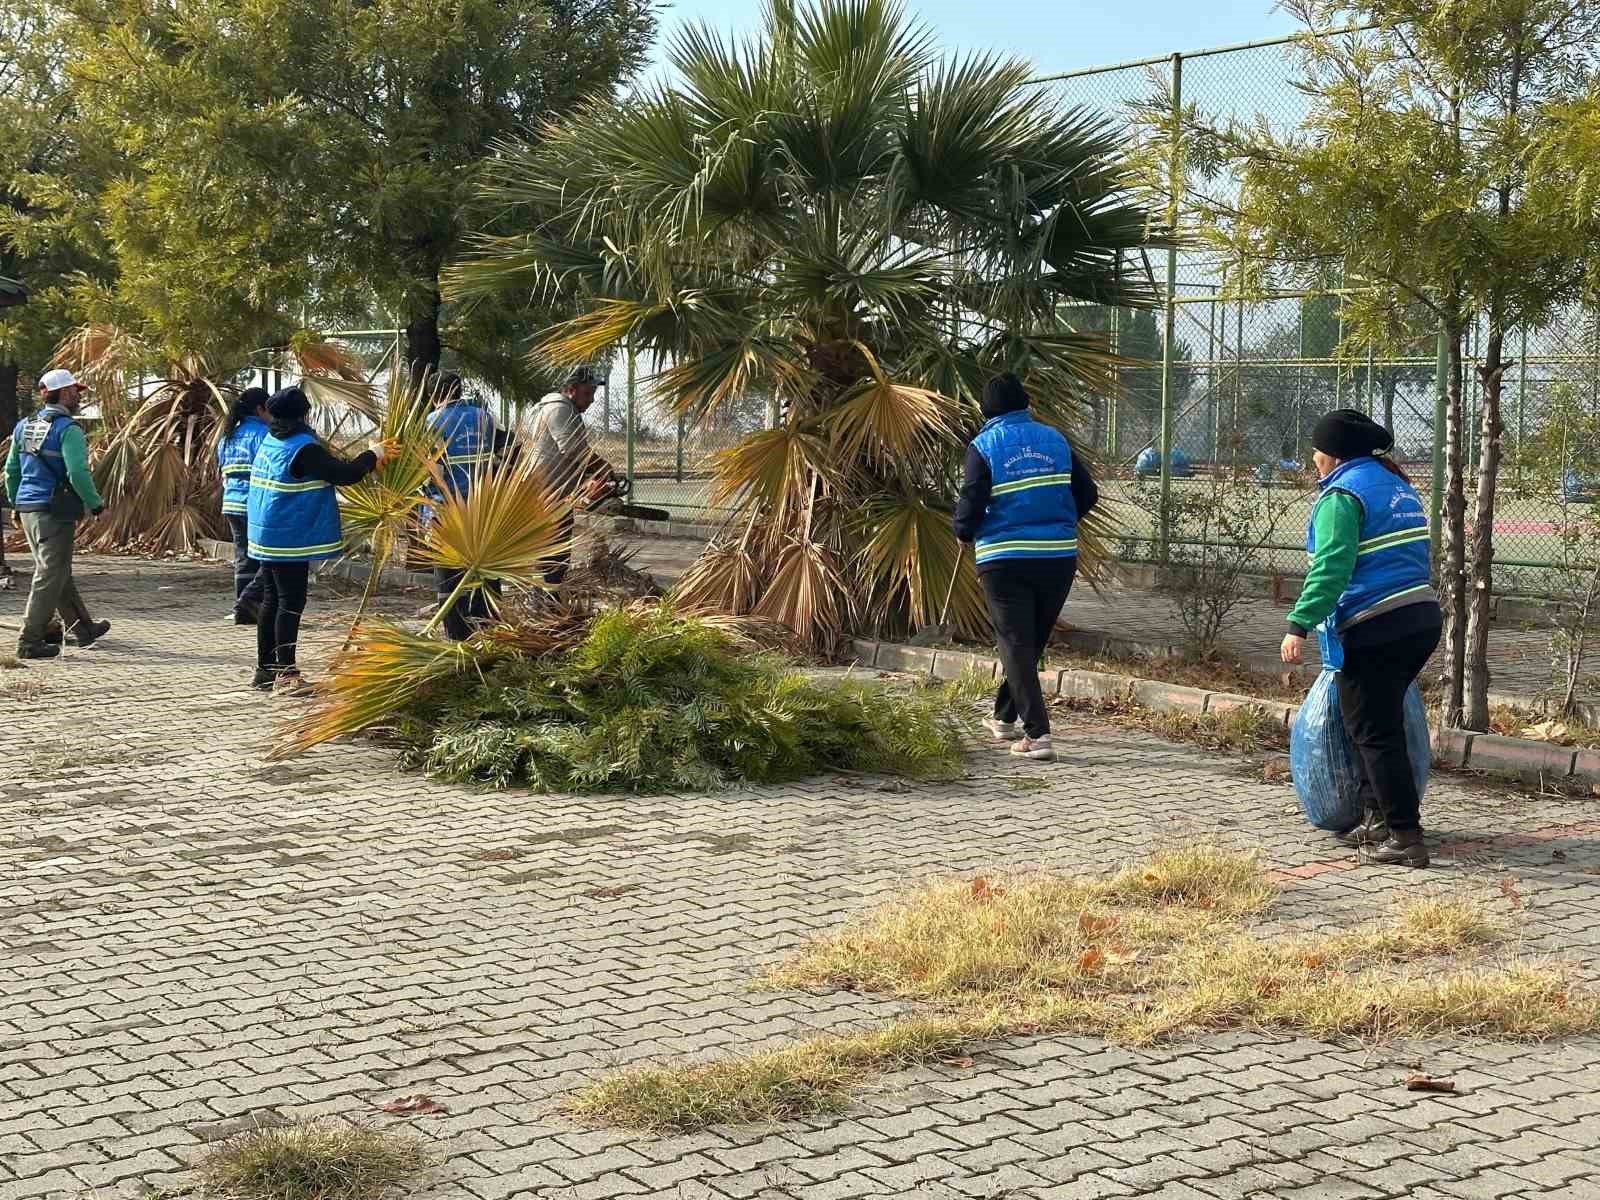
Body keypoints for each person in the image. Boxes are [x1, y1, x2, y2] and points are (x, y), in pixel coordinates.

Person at [1281, 408, 1441, 868]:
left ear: (1331, 454)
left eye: (1316, 449)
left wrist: (1298, 624)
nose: (1312, 457)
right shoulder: (1395, 486)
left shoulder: (1342, 496)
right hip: (1420, 617)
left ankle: (1406, 837)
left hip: (1377, 624)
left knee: (1375, 732)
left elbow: (1331, 568)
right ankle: (1378, 819)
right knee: (1376, 722)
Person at [954, 373, 1098, 763]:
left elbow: (971, 498)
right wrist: (1060, 522)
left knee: (1016, 644)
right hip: (1057, 558)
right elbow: (1088, 493)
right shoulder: (1056, 440)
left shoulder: (983, 446)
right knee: (1028, 643)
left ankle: (1038, 735)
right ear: (1026, 403)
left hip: (1004, 559)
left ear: (986, 410)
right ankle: (1004, 718)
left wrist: (964, 531)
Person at [247, 385, 384, 692]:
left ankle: (264, 671)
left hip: (265, 532)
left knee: (272, 599)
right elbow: (344, 474)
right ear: (304, 414)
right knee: (291, 602)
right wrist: (374, 454)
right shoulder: (303, 447)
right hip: (287, 537)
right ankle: (287, 673)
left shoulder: (271, 440)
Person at [5, 368, 111, 659]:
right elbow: (77, 472)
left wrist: (18, 504)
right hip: (54, 511)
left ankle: (83, 629)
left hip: (28, 508)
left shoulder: (23, 426)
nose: (78, 396)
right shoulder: (68, 429)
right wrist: (96, 504)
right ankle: (29, 642)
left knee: (58, 571)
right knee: (50, 575)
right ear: (64, 393)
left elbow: (11, 471)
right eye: (75, 391)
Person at [425, 373, 499, 639]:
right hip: (483, 505)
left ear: (434, 395)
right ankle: (488, 631)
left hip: (446, 508)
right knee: (484, 568)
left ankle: (457, 635)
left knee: (448, 573)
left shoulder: (432, 422)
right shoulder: (484, 417)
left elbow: (428, 471)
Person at [526, 366, 606, 583]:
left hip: (553, 491)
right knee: (554, 552)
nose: (591, 400)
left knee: (553, 552)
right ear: (571, 389)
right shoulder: (559, 409)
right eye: (588, 393)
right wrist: (603, 468)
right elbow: (572, 449)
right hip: (550, 492)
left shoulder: (555, 408)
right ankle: (546, 602)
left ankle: (546, 600)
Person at [217, 387, 271, 622]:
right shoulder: (264, 434)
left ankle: (242, 609)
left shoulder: (228, 436)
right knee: (266, 556)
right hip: (255, 503)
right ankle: (250, 604)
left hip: (231, 503)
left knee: (243, 557)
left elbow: (222, 471)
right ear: (260, 409)